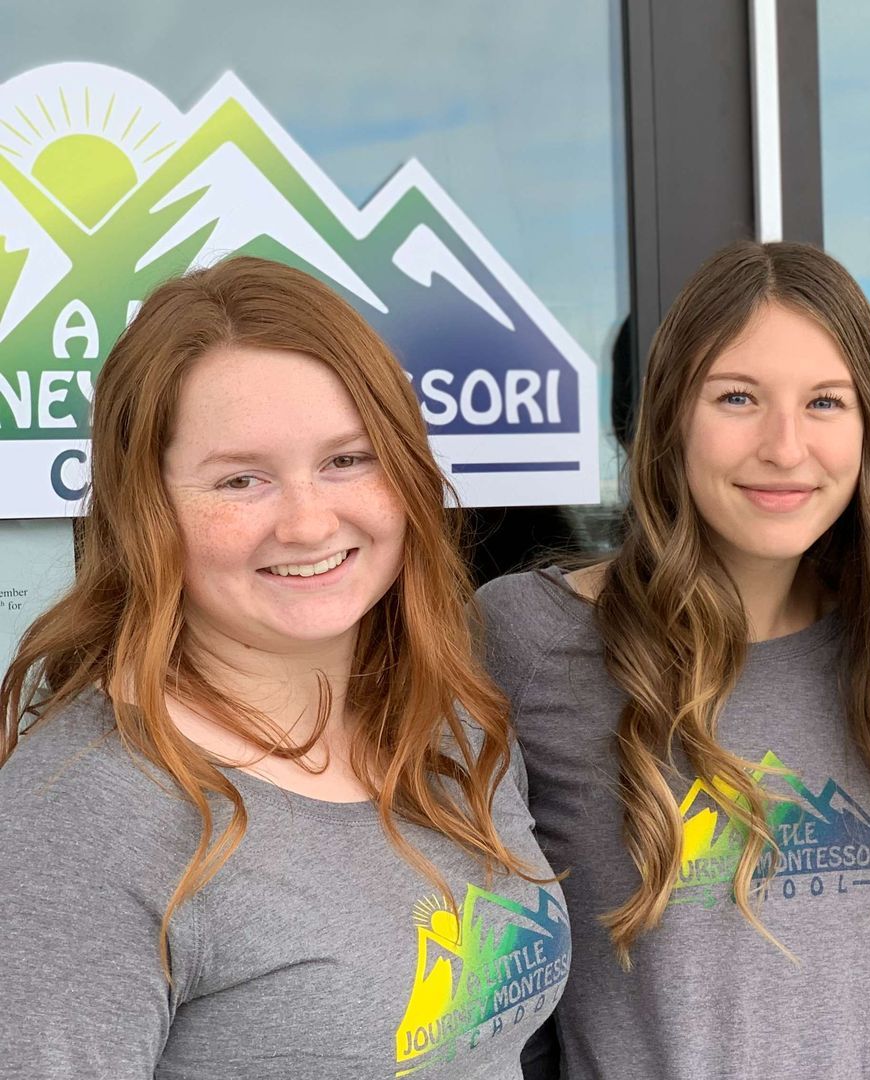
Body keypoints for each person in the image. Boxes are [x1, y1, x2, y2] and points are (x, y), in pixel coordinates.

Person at [0, 256, 568, 1078]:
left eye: (347, 460)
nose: (307, 522)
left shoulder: (449, 718)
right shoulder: (84, 817)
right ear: (145, 509)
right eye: (241, 478)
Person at [478, 240, 870, 1079]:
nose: (785, 447)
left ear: (869, 430)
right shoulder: (529, 637)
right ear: (673, 413)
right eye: (738, 397)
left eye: (826, 402)